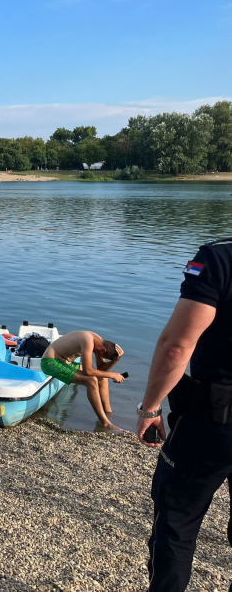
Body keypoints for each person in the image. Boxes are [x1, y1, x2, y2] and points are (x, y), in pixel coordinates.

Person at [138, 238, 232, 591]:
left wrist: (150, 406)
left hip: (214, 421)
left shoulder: (219, 257)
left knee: (177, 521)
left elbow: (177, 345)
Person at [40, 331, 125, 430]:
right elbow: (88, 371)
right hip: (50, 362)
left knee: (103, 377)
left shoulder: (99, 341)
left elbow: (101, 370)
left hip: (66, 363)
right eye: (103, 356)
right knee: (91, 380)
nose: (100, 357)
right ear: (103, 350)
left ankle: (107, 412)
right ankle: (105, 423)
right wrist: (112, 374)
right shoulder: (88, 340)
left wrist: (115, 360)